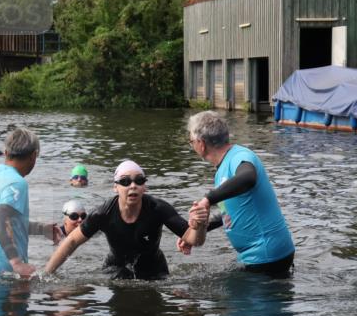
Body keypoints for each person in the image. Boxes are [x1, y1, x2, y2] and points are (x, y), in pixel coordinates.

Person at [45, 160, 208, 280]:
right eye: (124, 181)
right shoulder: (103, 213)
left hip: (155, 269)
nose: (132, 186)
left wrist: (199, 225)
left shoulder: (158, 209)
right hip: (115, 268)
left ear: (145, 186)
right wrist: (46, 275)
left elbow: (194, 240)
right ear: (115, 187)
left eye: (139, 180)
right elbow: (72, 241)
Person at [185, 110, 295, 276]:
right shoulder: (224, 166)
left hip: (266, 256)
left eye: (191, 141)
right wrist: (195, 231)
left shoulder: (239, 156)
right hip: (260, 256)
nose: (192, 145)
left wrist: (208, 199)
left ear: (201, 144)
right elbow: (231, 211)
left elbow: (248, 177)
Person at [0, 127, 62, 277]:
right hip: (0, 273)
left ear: (6, 153)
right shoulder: (17, 183)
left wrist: (41, 229)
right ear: (33, 156)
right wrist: (17, 263)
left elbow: (4, 222)